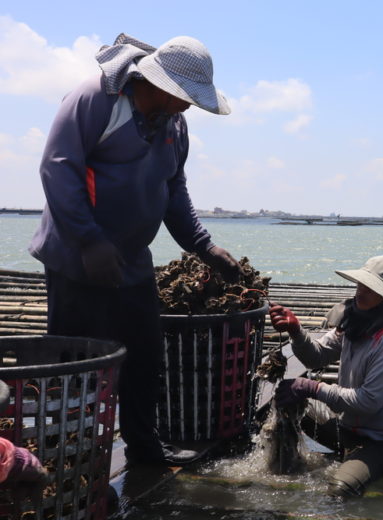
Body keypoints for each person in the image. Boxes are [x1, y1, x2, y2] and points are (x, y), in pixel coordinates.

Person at [28, 34, 241, 465]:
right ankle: (69, 456)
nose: (188, 108)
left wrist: (203, 246)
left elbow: (173, 188)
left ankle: (145, 448)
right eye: (185, 98)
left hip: (131, 260)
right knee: (78, 364)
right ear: (160, 85)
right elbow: (58, 169)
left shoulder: (174, 126)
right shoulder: (95, 99)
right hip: (75, 258)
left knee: (145, 356)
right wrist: (89, 240)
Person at [269, 255, 383, 497]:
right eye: (360, 284)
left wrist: (313, 387)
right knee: (287, 399)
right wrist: (295, 330)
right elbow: (317, 356)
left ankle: (358, 465)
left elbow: (367, 402)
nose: (360, 291)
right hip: (346, 428)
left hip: (382, 443)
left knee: (340, 490)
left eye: (370, 288)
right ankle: (286, 467)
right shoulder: (355, 322)